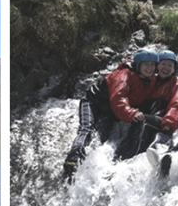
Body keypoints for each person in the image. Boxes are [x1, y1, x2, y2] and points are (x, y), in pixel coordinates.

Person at [63, 48, 160, 179]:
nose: (149, 68)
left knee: (102, 139)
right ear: (138, 64)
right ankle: (73, 159)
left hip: (110, 112)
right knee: (87, 129)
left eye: (152, 65)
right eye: (146, 64)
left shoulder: (152, 79)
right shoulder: (124, 74)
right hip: (93, 103)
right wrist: (131, 113)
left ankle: (97, 169)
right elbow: (118, 99)